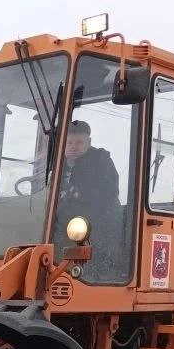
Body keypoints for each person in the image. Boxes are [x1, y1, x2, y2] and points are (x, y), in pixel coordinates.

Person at [54, 120, 122, 279]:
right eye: (69, 142)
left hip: (95, 224)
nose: (73, 146)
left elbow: (111, 191)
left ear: (88, 142)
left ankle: (91, 276)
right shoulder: (58, 164)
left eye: (79, 142)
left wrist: (78, 193)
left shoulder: (100, 160)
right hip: (61, 223)